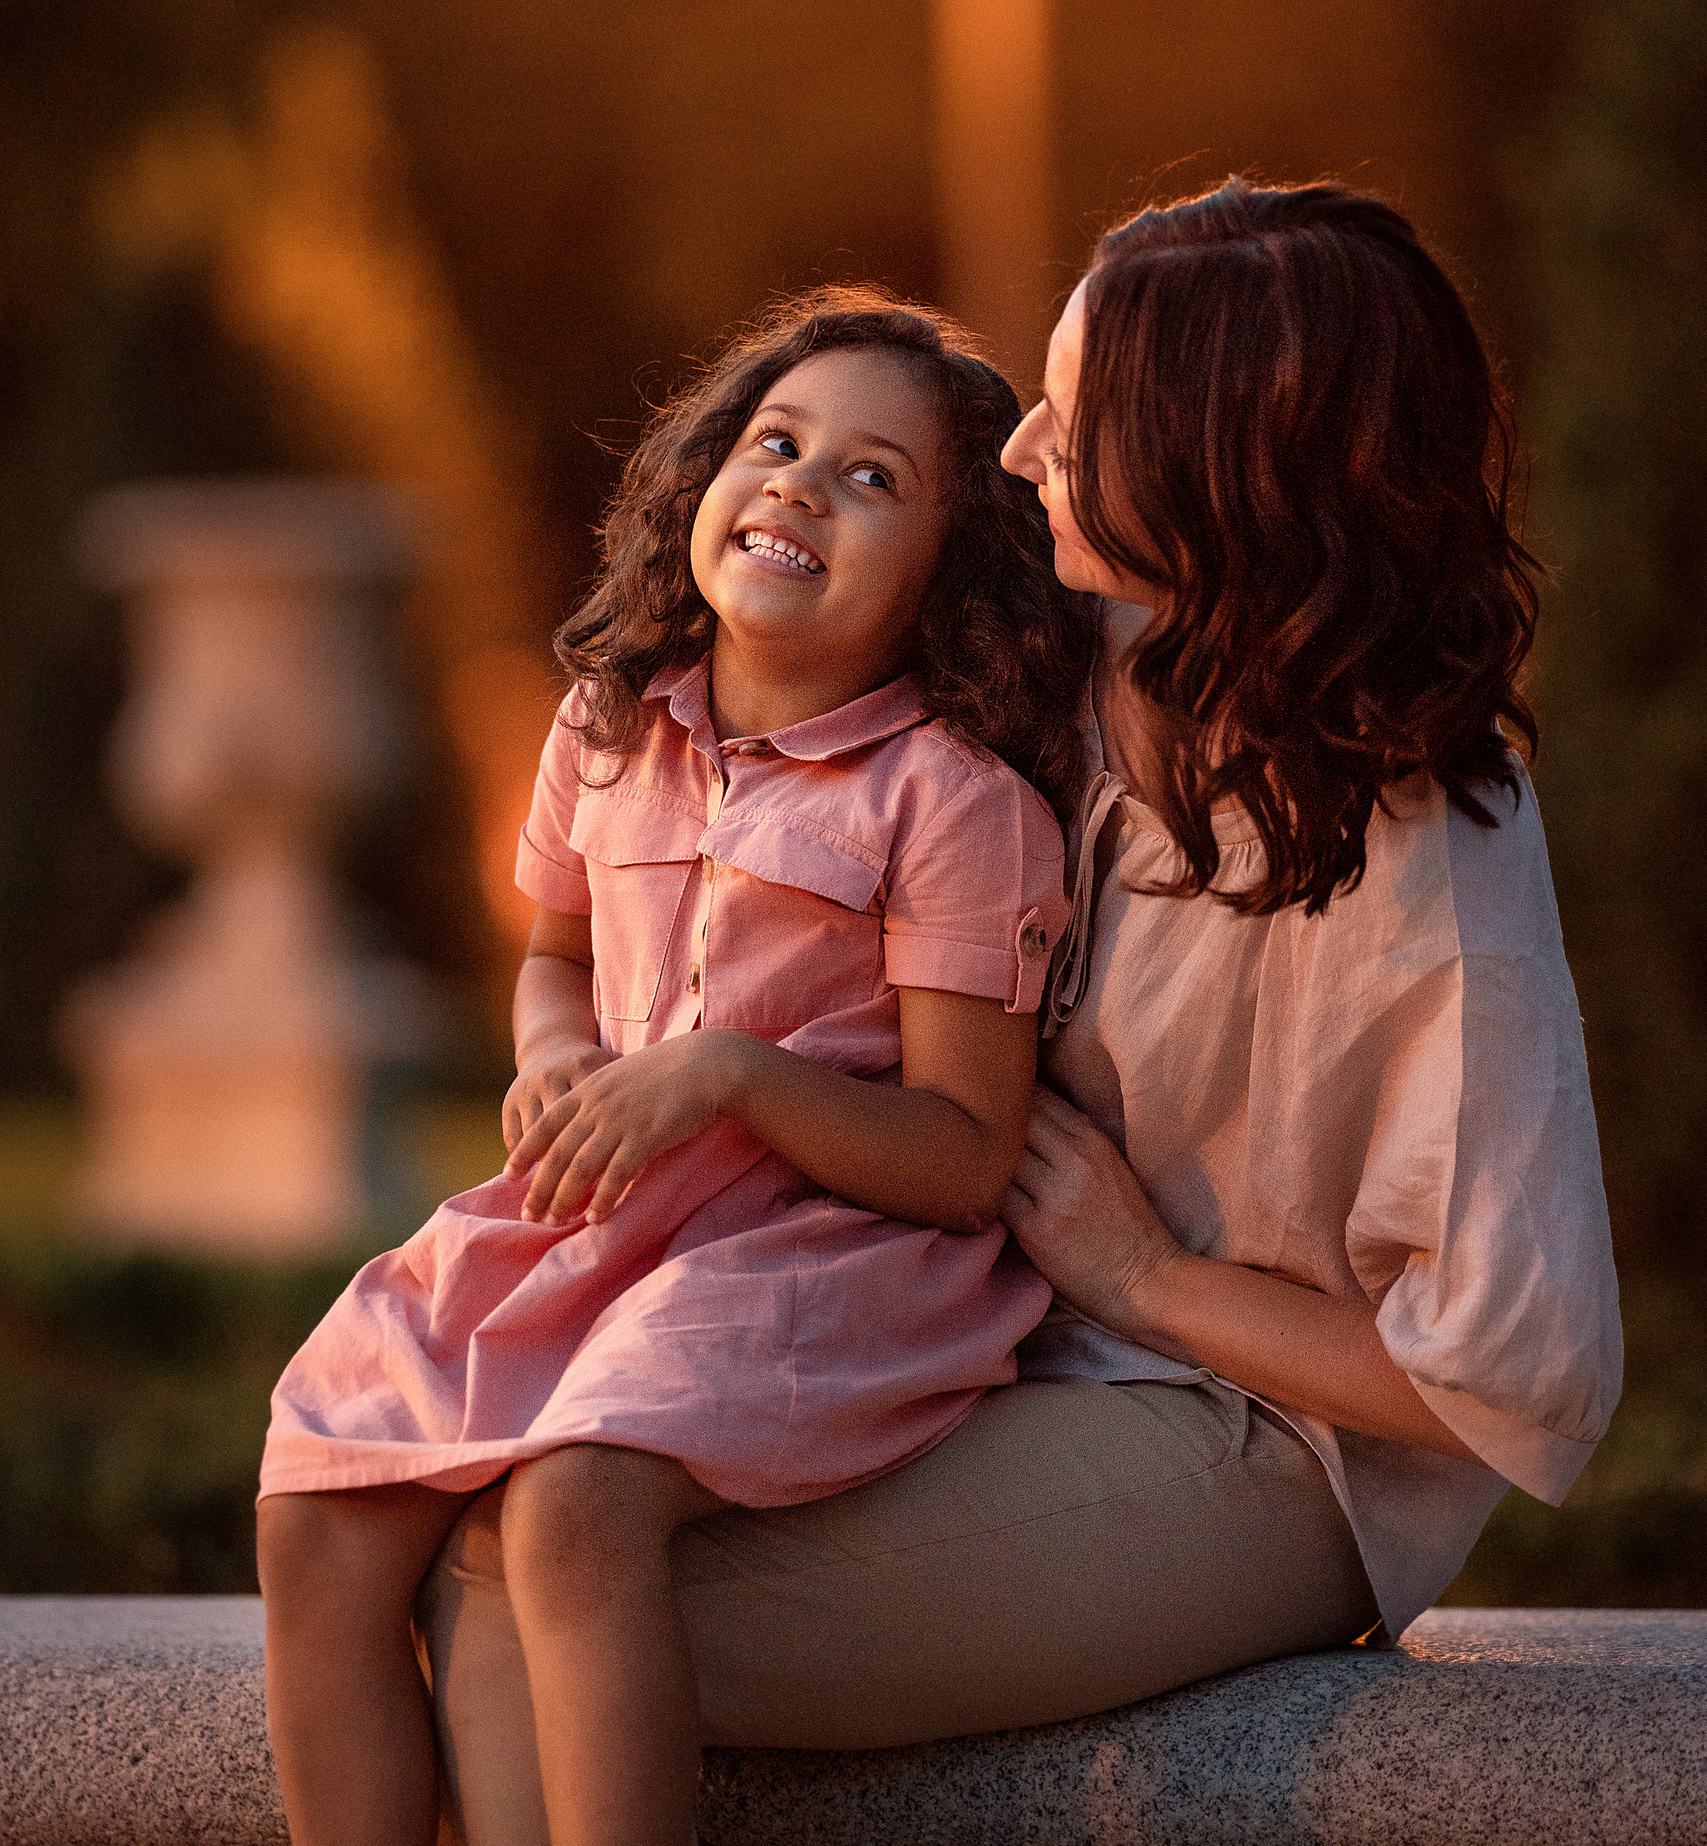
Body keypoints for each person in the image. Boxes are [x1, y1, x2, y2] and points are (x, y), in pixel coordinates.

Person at [413, 178, 1622, 1846]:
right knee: (465, 1515)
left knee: (523, 1575)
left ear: (1221, 466)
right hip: (967, 1323)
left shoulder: (1428, 861)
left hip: (1253, 1434)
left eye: (1084, 413)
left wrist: (1148, 1276)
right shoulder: (1057, 670)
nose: (1023, 443)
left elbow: (1504, 1378)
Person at [257, 291, 1095, 1846]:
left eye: (872, 478)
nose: (798, 483)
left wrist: (725, 1076)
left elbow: (968, 1155)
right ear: (706, 475)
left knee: (571, 1508)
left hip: (825, 1251)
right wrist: (560, 1053)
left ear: (956, 573)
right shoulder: (603, 729)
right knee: (317, 1500)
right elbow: (554, 951)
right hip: (604, 1216)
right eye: (777, 442)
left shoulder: (957, 807)